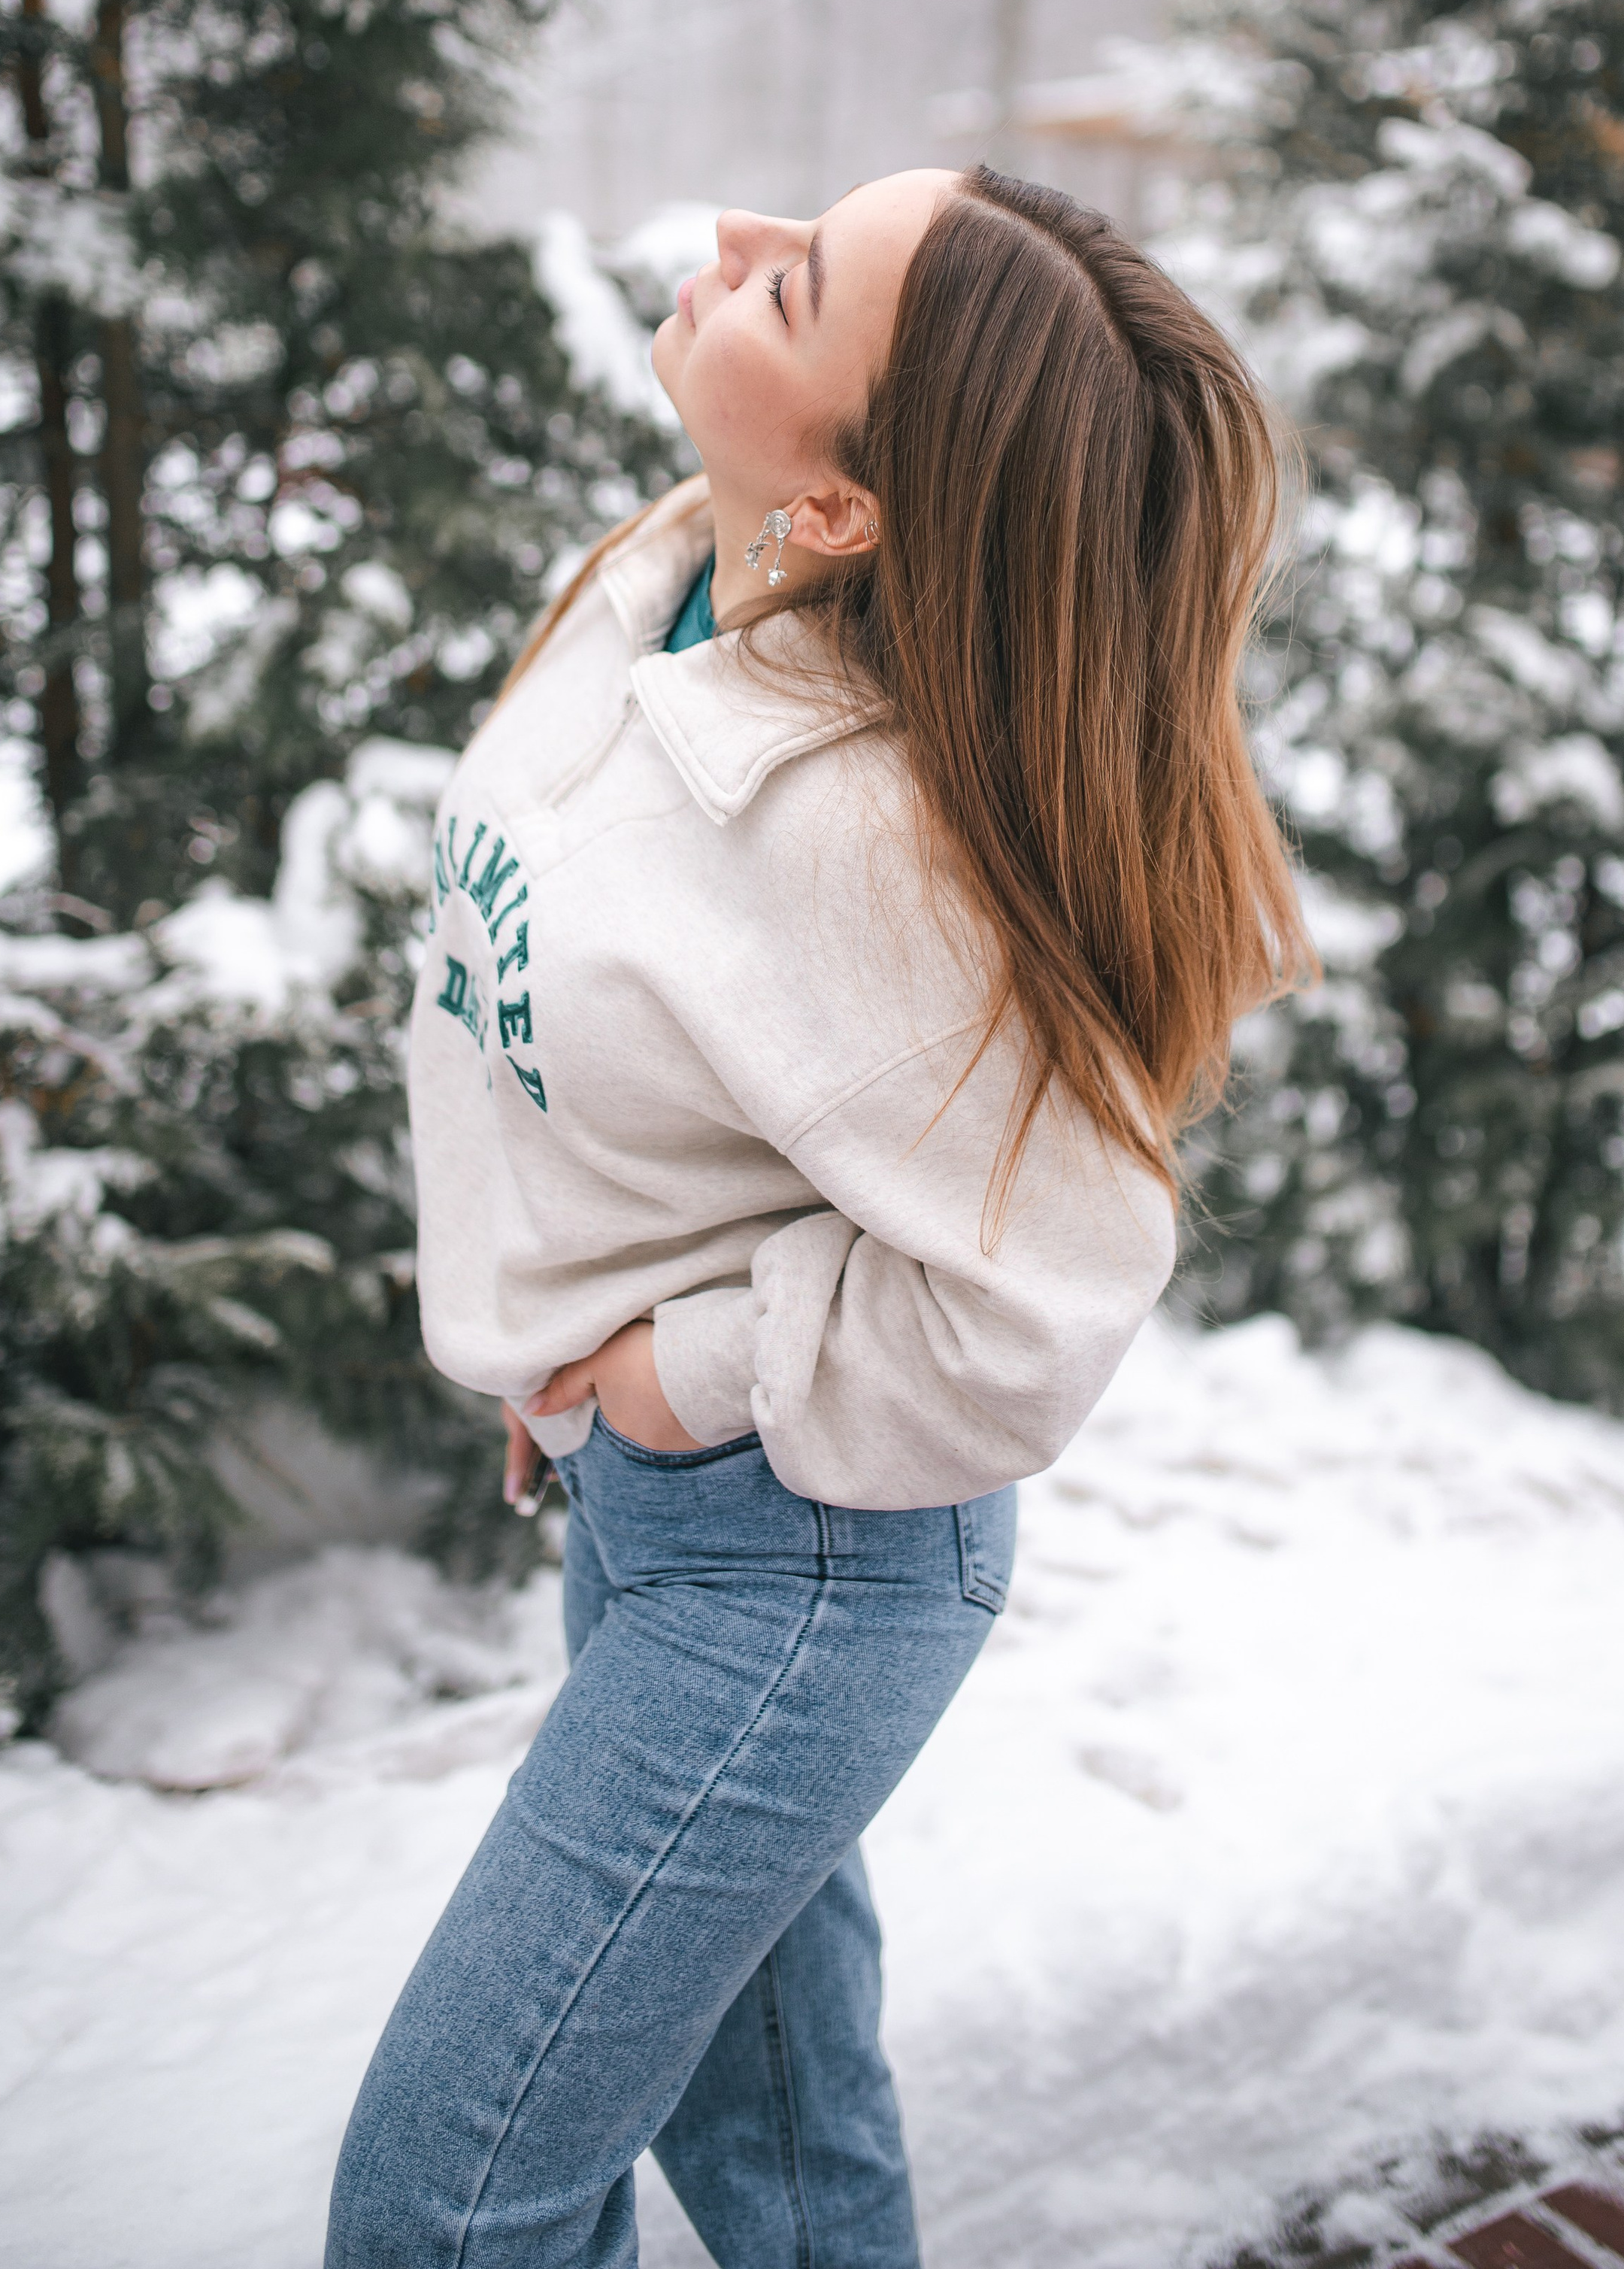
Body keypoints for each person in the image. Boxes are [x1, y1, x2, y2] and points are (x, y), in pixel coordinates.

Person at [326, 163, 1310, 2269]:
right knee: (774, 2135)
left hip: (805, 1557)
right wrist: (550, 1310)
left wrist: (675, 1371)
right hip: (654, 1502)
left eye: (796, 288)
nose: (728, 249)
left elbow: (1044, 1300)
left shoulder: (872, 845)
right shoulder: (677, 568)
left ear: (849, 506)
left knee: (450, 2205)